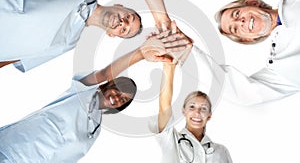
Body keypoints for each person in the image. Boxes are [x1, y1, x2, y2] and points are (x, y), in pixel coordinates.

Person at [0, 32, 190, 163]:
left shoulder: (95, 130)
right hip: (9, 148)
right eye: (118, 90)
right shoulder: (83, 91)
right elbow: (106, 72)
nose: (117, 97)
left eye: (123, 99)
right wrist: (141, 53)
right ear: (109, 86)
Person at [0, 0, 177, 72]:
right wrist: (162, 20)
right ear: (119, 6)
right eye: (128, 18)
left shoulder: (67, 44)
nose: (122, 23)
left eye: (124, 30)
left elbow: (13, 58)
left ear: (111, 34)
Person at [192, 0, 300, 106]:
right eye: (235, 29)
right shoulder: (282, 65)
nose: (240, 22)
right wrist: (183, 51)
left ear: (252, 3)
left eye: (236, 13)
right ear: (248, 40)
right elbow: (245, 95)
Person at [150, 62, 232, 163]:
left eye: (203, 108)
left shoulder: (221, 151)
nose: (197, 113)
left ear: (209, 116)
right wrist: (169, 66)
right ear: (184, 111)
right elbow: (164, 107)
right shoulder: (171, 140)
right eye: (192, 107)